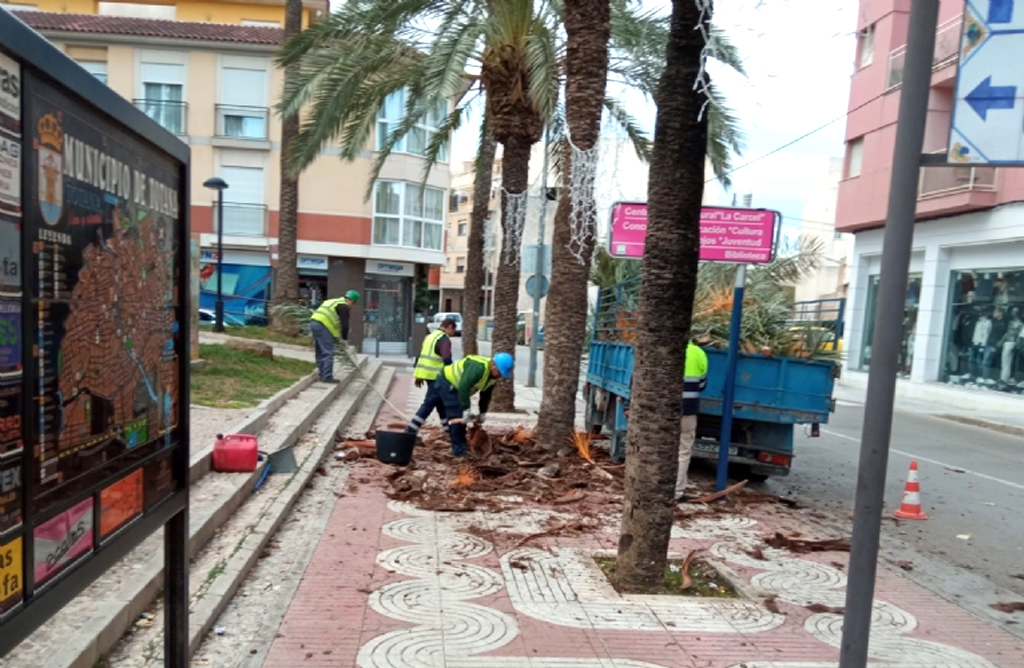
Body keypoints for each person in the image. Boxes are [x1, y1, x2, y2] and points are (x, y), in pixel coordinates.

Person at [436, 352, 514, 458]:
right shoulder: (479, 368)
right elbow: (464, 387)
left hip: (456, 386)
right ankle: (458, 451)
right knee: (457, 415)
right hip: (447, 382)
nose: (500, 376)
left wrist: (482, 412)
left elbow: (486, 395)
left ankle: (462, 446)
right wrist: (466, 409)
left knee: (459, 417)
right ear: (493, 365)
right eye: (500, 372)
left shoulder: (492, 377)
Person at [405, 318, 457, 435]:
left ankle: (448, 429)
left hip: (427, 375)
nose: (453, 334)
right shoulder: (444, 339)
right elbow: (447, 359)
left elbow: (420, 356)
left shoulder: (430, 336)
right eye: (453, 330)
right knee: (429, 403)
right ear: (449, 327)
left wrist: (418, 375)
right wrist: (453, 376)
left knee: (440, 402)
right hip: (437, 377)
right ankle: (411, 429)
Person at [675, 340, 708, 503]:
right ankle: (677, 492)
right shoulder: (698, 352)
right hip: (687, 410)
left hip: (659, 413)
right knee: (683, 451)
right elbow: (702, 384)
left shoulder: (662, 346)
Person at [309, 290, 360, 383]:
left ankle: (322, 373)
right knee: (328, 352)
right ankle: (327, 376)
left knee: (320, 351)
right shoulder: (344, 307)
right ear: (352, 301)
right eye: (354, 304)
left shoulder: (333, 301)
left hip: (314, 323)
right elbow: (345, 325)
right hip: (323, 325)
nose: (352, 306)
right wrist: (344, 339)